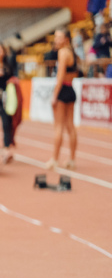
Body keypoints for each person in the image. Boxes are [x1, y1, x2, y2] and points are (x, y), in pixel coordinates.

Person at [48, 28, 78, 171]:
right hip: (71, 89)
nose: (56, 40)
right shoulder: (72, 52)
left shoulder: (62, 52)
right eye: (55, 37)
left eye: (59, 37)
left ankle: (54, 159)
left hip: (63, 90)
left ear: (66, 39)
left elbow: (60, 76)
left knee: (58, 126)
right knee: (70, 126)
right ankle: (71, 159)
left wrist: (54, 95)